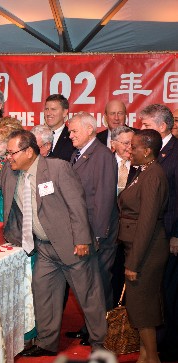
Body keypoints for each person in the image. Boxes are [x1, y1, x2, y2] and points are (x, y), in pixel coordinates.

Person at [0, 130, 107, 356]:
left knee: (88, 295)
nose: (8, 157)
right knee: (43, 294)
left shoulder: (57, 168)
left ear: (29, 152)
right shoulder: (11, 173)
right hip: (44, 248)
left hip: (72, 245)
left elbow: (77, 205)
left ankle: (100, 343)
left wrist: (82, 239)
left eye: (12, 153)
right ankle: (47, 343)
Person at [66, 112, 118, 345]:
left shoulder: (102, 156)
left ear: (90, 130)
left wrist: (97, 234)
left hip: (99, 233)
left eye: (74, 131)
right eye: (69, 131)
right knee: (88, 282)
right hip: (83, 230)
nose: (70, 135)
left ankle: (102, 333)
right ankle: (89, 327)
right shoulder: (78, 154)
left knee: (99, 283)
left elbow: (105, 198)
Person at [117, 129, 169, 363]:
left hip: (146, 251)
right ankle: (145, 356)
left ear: (147, 151)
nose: (130, 150)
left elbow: (147, 222)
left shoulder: (153, 175)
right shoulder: (143, 172)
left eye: (134, 147)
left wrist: (134, 263)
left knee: (142, 307)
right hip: (139, 248)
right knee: (141, 305)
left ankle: (152, 359)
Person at [139, 104, 178, 362]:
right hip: (151, 235)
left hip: (169, 233)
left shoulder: (175, 153)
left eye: (146, 125)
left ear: (162, 127)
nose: (140, 130)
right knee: (156, 290)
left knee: (170, 290)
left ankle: (171, 344)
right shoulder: (151, 153)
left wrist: (176, 234)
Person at [109, 126, 136, 308]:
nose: (129, 148)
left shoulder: (141, 166)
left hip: (133, 233)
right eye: (126, 143)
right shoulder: (104, 163)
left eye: (133, 144)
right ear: (113, 144)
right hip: (109, 232)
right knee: (109, 278)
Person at [43, 94, 75, 161]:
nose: (48, 113)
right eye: (46, 109)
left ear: (64, 112)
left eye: (53, 109)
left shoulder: (72, 138)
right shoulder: (36, 136)